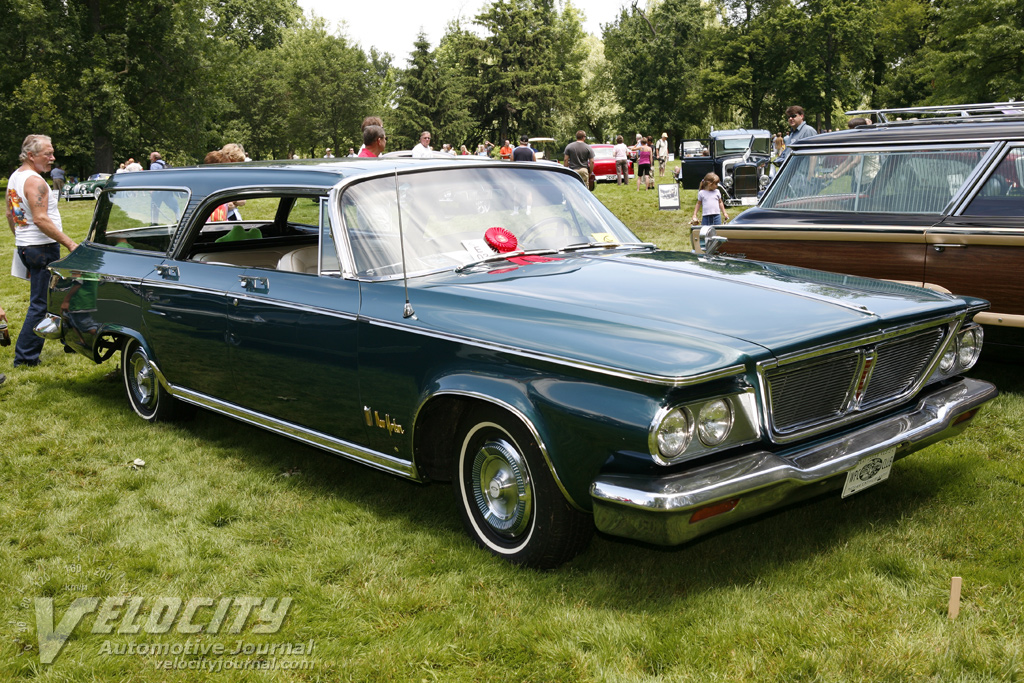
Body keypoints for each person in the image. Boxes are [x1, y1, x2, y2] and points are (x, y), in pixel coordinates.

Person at [6, 134, 78, 368]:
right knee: (41, 303)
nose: (52, 157)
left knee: (59, 294)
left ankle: (72, 341)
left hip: (28, 246)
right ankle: (25, 357)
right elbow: (40, 219)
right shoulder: (35, 182)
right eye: (47, 153)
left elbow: (10, 215)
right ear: (31, 155)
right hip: (42, 248)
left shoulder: (15, 177)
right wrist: (70, 243)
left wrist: (20, 240)